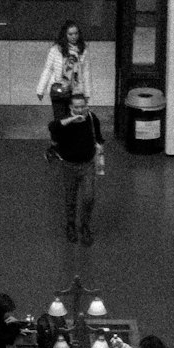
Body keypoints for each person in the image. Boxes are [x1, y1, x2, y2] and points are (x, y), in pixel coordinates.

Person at [49, 91, 104, 245]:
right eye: (77, 107)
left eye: (83, 106)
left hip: (87, 164)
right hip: (69, 165)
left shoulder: (92, 119)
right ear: (71, 107)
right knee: (71, 198)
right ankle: (71, 226)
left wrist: (99, 147)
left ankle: (85, 226)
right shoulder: (64, 121)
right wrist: (72, 119)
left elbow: (99, 137)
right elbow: (53, 127)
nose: (81, 110)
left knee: (89, 196)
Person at [36, 19, 92, 120]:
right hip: (59, 88)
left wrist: (87, 93)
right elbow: (48, 69)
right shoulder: (56, 49)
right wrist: (40, 89)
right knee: (60, 119)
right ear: (65, 35)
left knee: (74, 118)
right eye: (70, 34)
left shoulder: (83, 50)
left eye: (76, 33)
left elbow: (85, 72)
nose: (74, 36)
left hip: (75, 90)